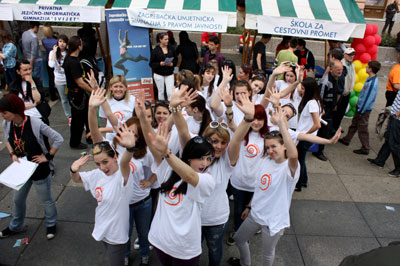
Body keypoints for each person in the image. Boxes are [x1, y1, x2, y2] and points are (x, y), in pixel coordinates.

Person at [137, 96, 216, 265]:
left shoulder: (207, 180)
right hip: (161, 240)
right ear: (188, 157)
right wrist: (143, 118)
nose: (205, 163)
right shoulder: (168, 170)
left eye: (209, 159)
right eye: (200, 158)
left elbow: (189, 176)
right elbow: (152, 143)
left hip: (185, 248)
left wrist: (167, 153)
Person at [228, 103, 300, 266]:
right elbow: (261, 188)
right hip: (256, 213)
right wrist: (249, 206)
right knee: (239, 239)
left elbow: (294, 155)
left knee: (267, 255)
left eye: (274, 146)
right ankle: (245, 263)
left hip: (273, 221)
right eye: (267, 147)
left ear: (284, 146)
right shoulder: (265, 160)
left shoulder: (290, 168)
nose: (270, 150)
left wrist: (282, 125)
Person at [70, 118, 135, 266]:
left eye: (105, 162)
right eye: (98, 163)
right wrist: (72, 170)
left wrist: (130, 149)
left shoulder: (122, 176)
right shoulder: (97, 174)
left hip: (116, 235)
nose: (102, 167)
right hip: (102, 228)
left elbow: (125, 162)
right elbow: (77, 179)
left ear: (115, 157)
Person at [0, 94, 63, 240]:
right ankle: (16, 226)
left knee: (46, 199)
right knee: (17, 200)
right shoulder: (8, 123)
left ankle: (51, 224)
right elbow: (7, 139)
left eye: (4, 113)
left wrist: (47, 157)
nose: (2, 116)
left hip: (39, 170)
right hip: (22, 170)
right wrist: (12, 154)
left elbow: (58, 138)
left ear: (14, 111)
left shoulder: (35, 123)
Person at [339, 61, 381, 155]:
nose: (366, 68)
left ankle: (365, 148)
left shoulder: (372, 83)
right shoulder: (370, 79)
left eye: (367, 67)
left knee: (362, 128)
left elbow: (368, 98)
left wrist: (361, 109)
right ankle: (347, 139)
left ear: (370, 69)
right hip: (361, 107)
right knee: (354, 124)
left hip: (364, 110)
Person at [63, 36, 94, 149]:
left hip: (77, 94)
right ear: (79, 46)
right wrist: (93, 91)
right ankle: (75, 142)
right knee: (78, 121)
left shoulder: (72, 60)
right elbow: (80, 82)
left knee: (86, 117)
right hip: (76, 95)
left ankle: (89, 137)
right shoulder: (73, 62)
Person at [295, 77, 323, 191]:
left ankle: (300, 183)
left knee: (299, 161)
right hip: (306, 136)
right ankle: (304, 180)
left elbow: (317, 124)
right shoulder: (316, 101)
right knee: (301, 159)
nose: (300, 90)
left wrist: (305, 134)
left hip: (305, 137)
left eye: (302, 88)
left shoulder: (311, 103)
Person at [313, 60, 343, 161]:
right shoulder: (326, 82)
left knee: (324, 131)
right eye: (338, 69)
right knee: (322, 132)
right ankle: (318, 151)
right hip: (324, 111)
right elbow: (319, 97)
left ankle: (319, 149)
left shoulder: (336, 78)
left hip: (330, 109)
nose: (340, 72)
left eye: (341, 70)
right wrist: (321, 111)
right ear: (331, 69)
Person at [367, 90, 400, 177]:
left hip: (398, 119)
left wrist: (398, 113)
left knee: (394, 144)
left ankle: (398, 169)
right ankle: (380, 160)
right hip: (394, 116)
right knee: (388, 139)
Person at [9, 60, 50, 125]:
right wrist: (33, 105)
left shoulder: (36, 81)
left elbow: (38, 99)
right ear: (18, 71)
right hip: (22, 118)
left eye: (30, 69)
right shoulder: (13, 85)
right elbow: (15, 106)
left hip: (37, 115)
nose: (28, 72)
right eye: (25, 70)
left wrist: (32, 82)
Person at [98, 75, 135, 143]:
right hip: (111, 138)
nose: (118, 89)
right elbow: (106, 120)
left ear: (125, 88)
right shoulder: (105, 101)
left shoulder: (133, 100)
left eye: (121, 86)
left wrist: (102, 130)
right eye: (115, 86)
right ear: (110, 88)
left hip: (128, 137)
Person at [48, 34, 71, 122]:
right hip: (59, 80)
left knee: (71, 98)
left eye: (64, 42)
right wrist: (54, 52)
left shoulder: (68, 53)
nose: (62, 44)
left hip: (68, 79)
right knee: (64, 99)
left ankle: (73, 114)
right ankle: (69, 116)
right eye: (60, 41)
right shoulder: (52, 53)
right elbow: (51, 65)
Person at [333, 48, 356, 131]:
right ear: (345, 55)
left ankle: (336, 126)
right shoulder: (341, 65)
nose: (352, 56)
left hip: (347, 92)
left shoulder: (352, 65)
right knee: (336, 111)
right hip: (341, 92)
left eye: (353, 55)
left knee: (342, 112)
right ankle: (332, 128)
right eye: (350, 54)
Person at [150, 32, 177, 101]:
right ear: (160, 40)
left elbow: (176, 59)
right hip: (159, 73)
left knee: (170, 92)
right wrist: (160, 64)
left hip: (169, 73)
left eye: (168, 39)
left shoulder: (171, 48)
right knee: (161, 91)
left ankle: (170, 106)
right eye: (165, 39)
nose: (167, 41)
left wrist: (172, 64)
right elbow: (151, 64)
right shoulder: (155, 50)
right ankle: (161, 106)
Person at [41, 25, 58, 101]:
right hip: (57, 60)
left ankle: (53, 96)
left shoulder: (44, 40)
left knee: (51, 78)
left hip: (49, 59)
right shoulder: (56, 41)